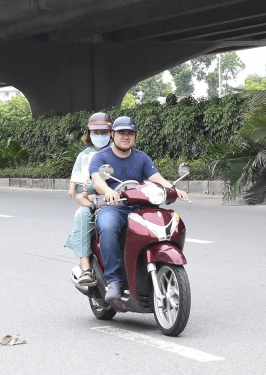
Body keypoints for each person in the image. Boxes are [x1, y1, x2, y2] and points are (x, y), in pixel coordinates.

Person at [88, 116, 189, 301]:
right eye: (121, 133)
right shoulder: (101, 157)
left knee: (163, 224)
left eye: (130, 133)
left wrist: (173, 189)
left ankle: (152, 268)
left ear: (134, 136)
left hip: (139, 206)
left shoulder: (141, 157)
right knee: (108, 227)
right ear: (112, 134)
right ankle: (114, 280)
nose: (126, 136)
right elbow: (97, 179)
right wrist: (109, 191)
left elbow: (156, 178)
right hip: (113, 207)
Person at [64, 113, 112, 285]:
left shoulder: (119, 150)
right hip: (94, 200)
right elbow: (78, 184)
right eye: (96, 132)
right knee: (82, 215)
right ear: (89, 134)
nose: (100, 136)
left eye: (104, 132)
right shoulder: (84, 156)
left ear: (112, 133)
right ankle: (86, 269)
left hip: (121, 199)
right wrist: (85, 190)